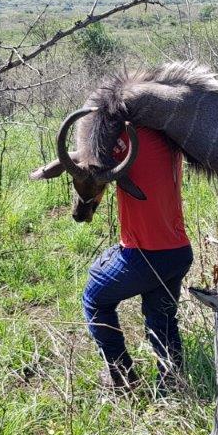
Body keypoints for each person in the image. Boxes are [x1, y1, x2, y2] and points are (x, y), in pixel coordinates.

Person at [82, 127, 193, 395]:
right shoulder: (169, 135)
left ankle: (120, 376)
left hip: (144, 255)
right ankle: (172, 385)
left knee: (95, 299)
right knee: (162, 318)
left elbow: (90, 162)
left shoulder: (123, 136)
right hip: (177, 252)